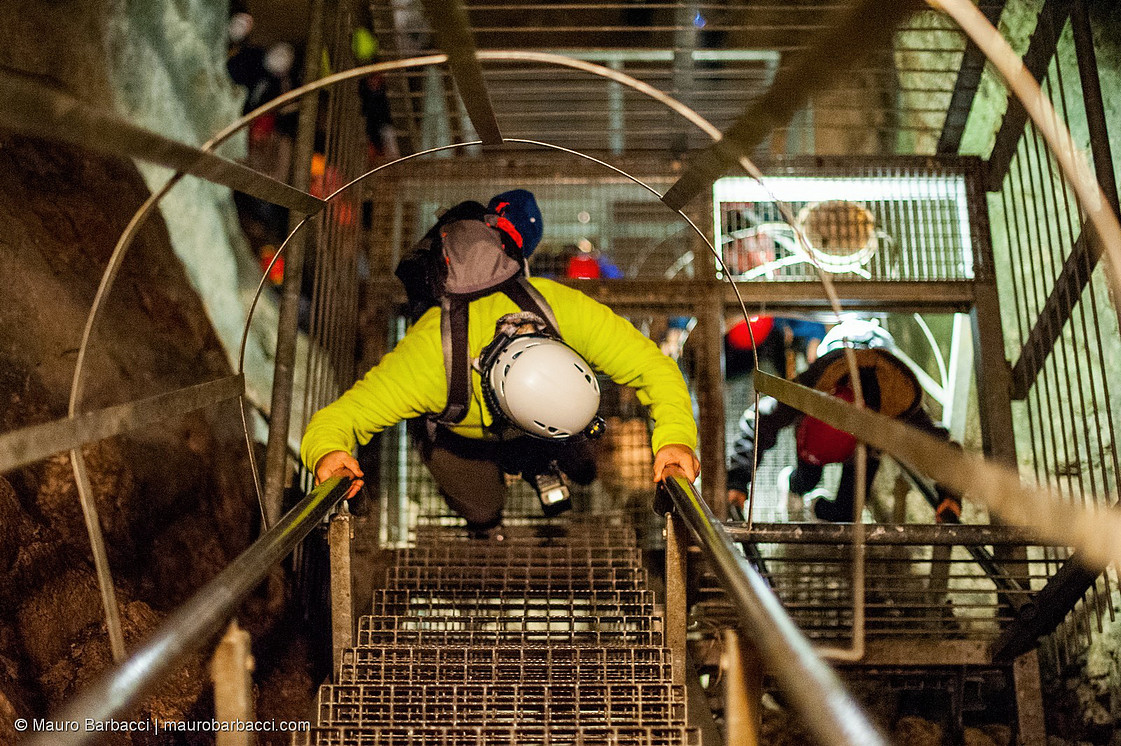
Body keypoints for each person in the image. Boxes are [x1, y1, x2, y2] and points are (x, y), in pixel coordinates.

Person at [302, 191, 700, 537]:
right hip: (460, 434)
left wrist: (676, 440)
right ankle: (495, 499)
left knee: (583, 467)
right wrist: (328, 455)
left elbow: (653, 367)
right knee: (482, 509)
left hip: (537, 431)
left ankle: (541, 458)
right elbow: (338, 420)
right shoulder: (430, 359)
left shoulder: (561, 309)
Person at [726, 319, 962, 523]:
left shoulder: (894, 399)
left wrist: (950, 494)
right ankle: (794, 485)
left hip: (866, 438)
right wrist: (737, 480)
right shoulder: (816, 384)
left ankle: (812, 503)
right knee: (806, 480)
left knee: (847, 513)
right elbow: (761, 418)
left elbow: (939, 448)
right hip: (824, 419)